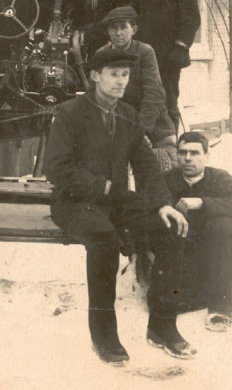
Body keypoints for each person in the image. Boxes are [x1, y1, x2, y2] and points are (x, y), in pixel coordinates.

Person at [45, 47, 195, 364]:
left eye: (125, 74)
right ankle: (105, 337)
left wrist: (163, 205)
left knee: (171, 228)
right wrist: (103, 187)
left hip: (115, 202)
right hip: (74, 203)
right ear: (95, 76)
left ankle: (162, 327)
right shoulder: (70, 112)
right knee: (104, 238)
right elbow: (57, 169)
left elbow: (146, 166)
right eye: (114, 74)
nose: (121, 81)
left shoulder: (127, 114)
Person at [166, 132, 232, 331]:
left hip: (224, 256)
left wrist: (202, 203)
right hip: (187, 256)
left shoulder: (220, 178)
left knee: (224, 224)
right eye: (182, 152)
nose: (188, 158)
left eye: (195, 153)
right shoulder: (168, 180)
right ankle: (229, 288)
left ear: (207, 155)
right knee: (161, 302)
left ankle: (220, 307)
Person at [132, 0, 201, 134]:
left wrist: (180, 48)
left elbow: (191, 18)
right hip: (145, 52)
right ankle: (147, 145)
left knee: (168, 101)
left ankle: (170, 144)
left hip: (170, 53)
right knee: (144, 100)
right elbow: (134, 13)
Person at [100, 6, 177, 166]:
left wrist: (141, 130)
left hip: (152, 124)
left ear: (133, 30)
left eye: (123, 27)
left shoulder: (144, 52)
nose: (118, 33)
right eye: (113, 28)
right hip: (116, 125)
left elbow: (154, 94)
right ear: (108, 31)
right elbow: (96, 95)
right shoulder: (102, 54)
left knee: (168, 169)